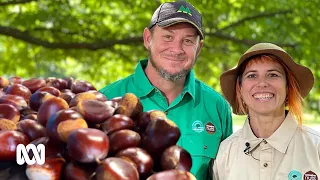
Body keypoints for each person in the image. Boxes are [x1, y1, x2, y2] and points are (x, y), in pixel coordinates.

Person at [99, 1, 233, 179]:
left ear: (199, 48)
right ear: (148, 39)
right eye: (168, 37)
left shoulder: (217, 106)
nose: (177, 49)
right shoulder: (107, 99)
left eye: (187, 41)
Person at [212, 42, 320, 179]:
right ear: (240, 88)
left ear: (288, 86)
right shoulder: (225, 152)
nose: (262, 83)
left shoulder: (316, 148)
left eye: (273, 75)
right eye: (252, 75)